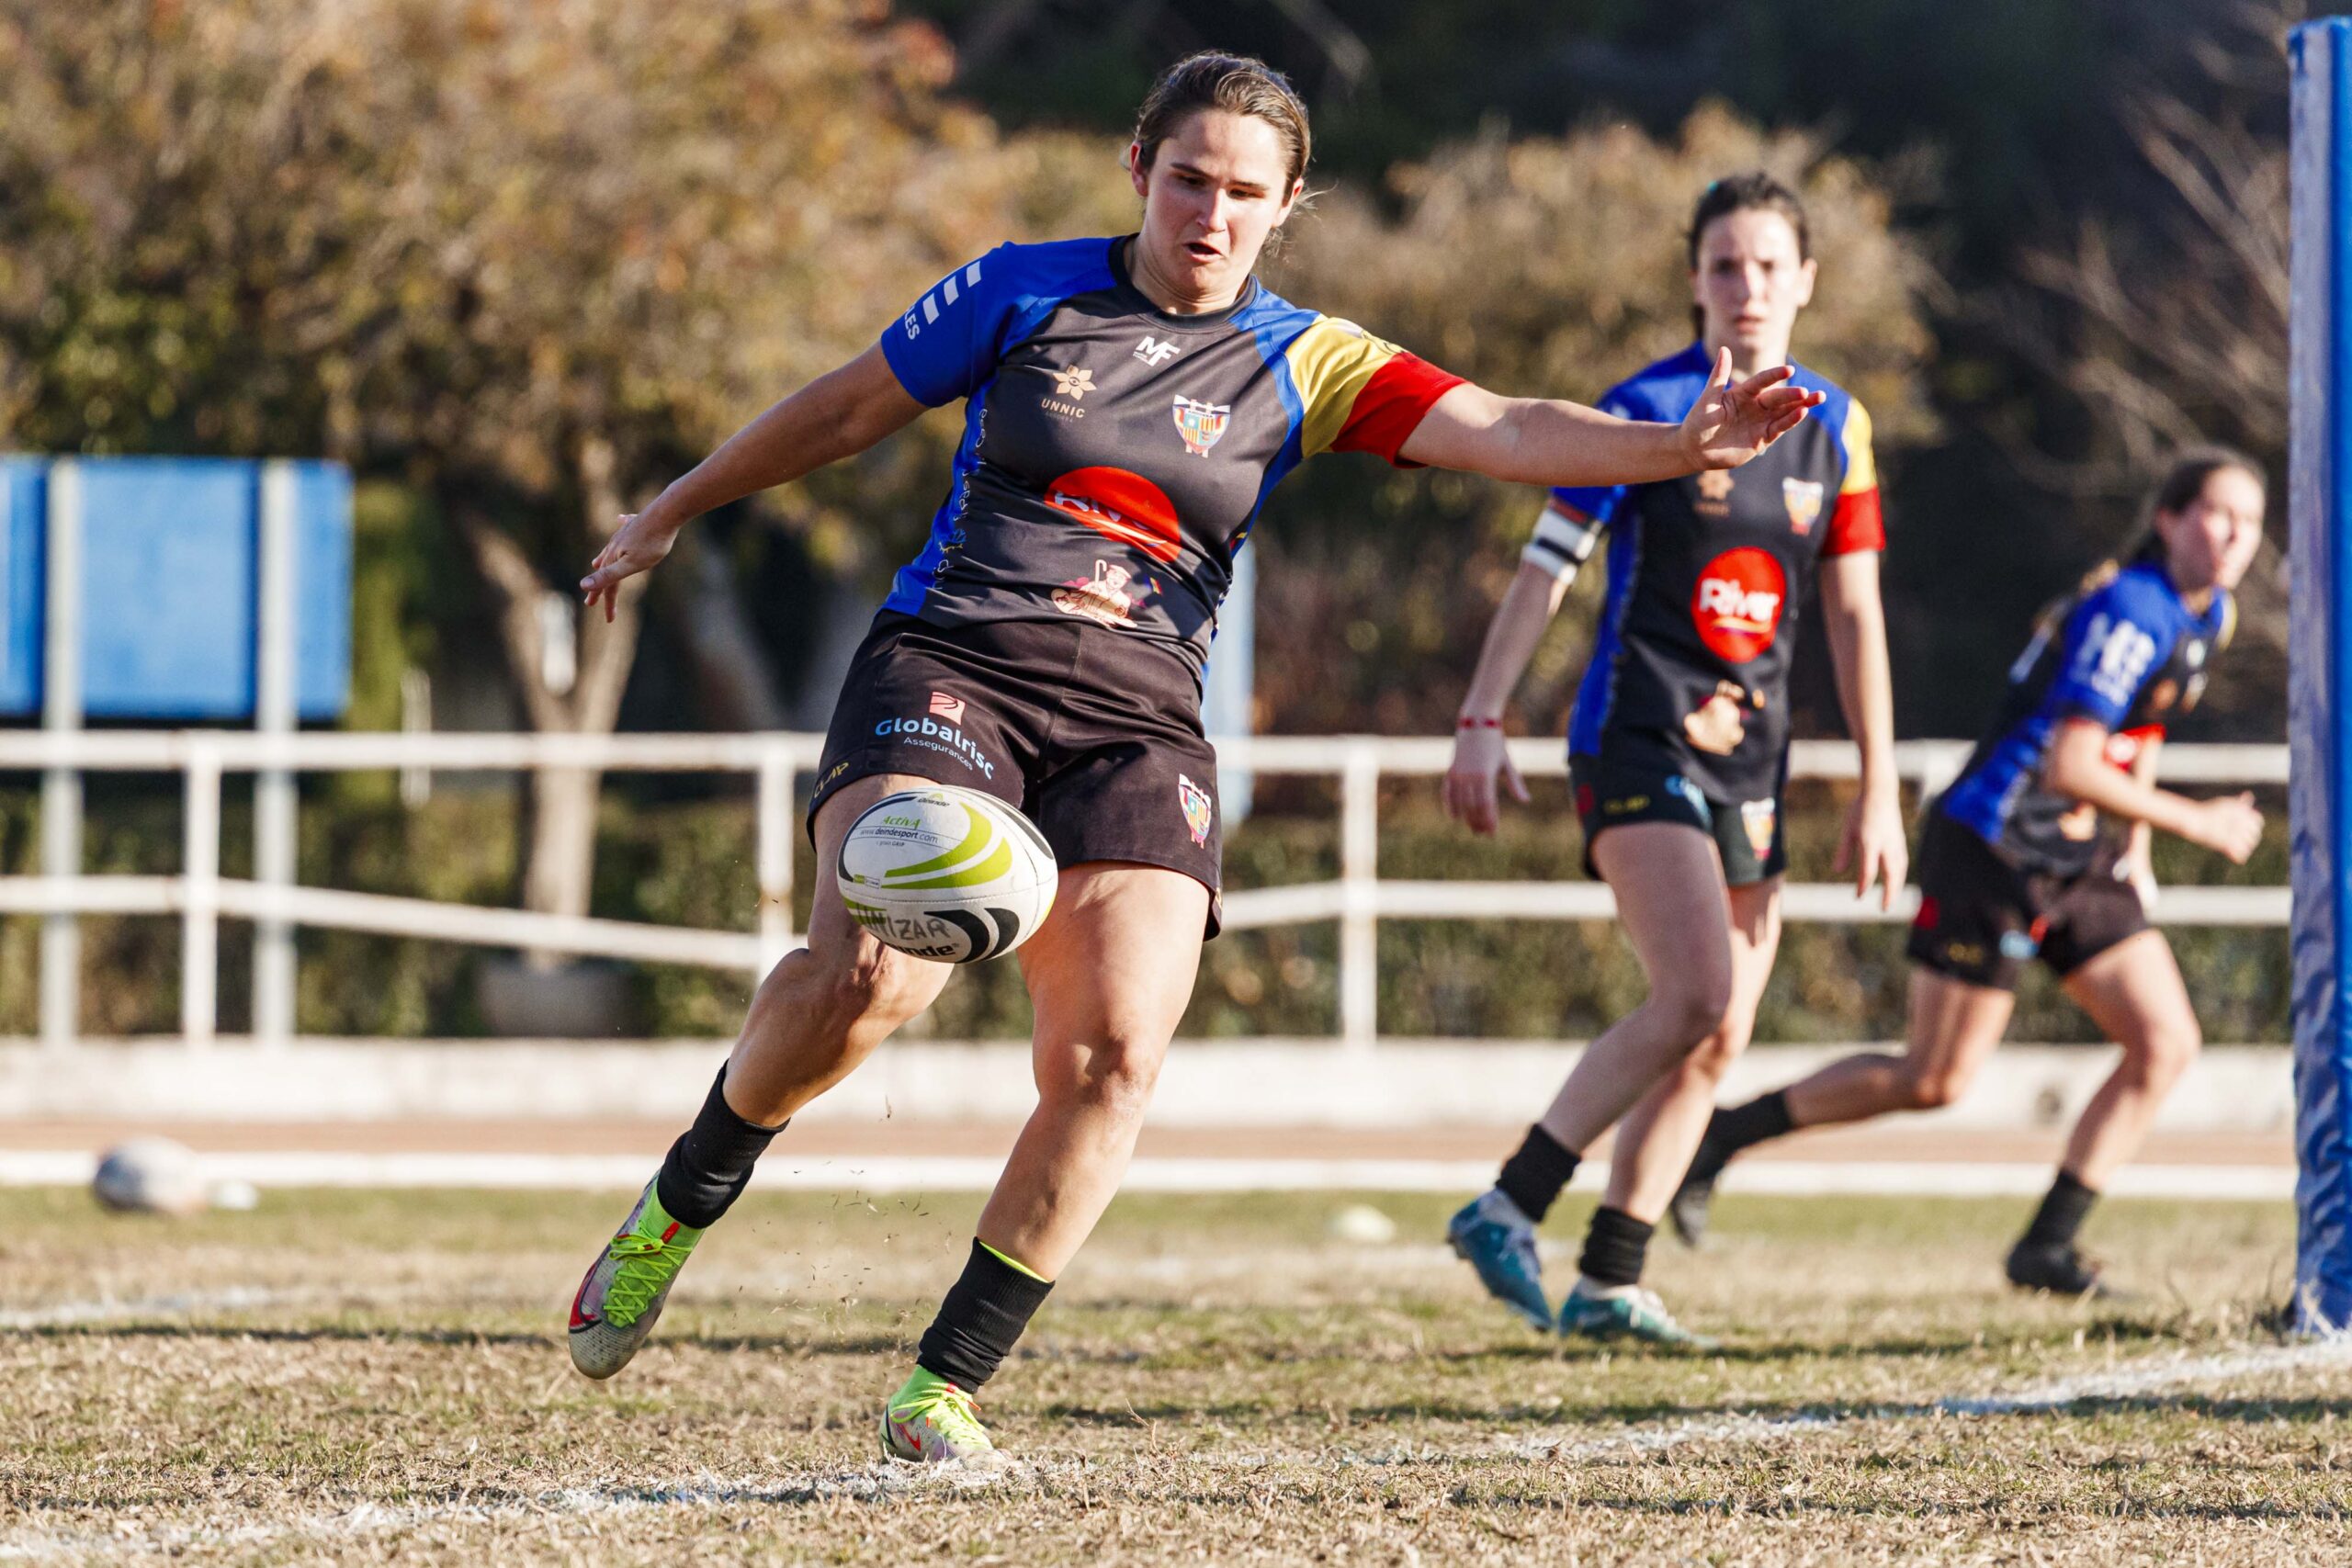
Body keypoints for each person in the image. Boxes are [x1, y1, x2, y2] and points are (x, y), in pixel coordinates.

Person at [560, 51, 1823, 1463]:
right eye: (1187, 180)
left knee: (1113, 1054)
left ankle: (943, 1384)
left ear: (1286, 208)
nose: (1208, 215)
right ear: (1140, 173)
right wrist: (676, 502)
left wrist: (1673, 443)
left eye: (1243, 192)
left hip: (1140, 715)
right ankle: (683, 1196)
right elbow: (851, 406)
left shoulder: (1312, 357)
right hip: (954, 659)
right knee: (868, 975)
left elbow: (1512, 428)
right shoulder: (1024, 288)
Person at [1442, 172, 1905, 1346]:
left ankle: (1609, 1279)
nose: (1744, 287)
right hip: (1635, 735)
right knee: (1694, 991)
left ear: (1804, 280)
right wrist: (1484, 716)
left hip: (1756, 756)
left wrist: (1878, 783)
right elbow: (1546, 566)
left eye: (1766, 265)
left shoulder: (1838, 428)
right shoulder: (1642, 408)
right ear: (1694, 281)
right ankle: (1509, 1200)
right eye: (1721, 266)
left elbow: (1854, 616)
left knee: (1726, 1029)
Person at [1672, 450, 2266, 1297]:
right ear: (2169, 519)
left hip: (2076, 853)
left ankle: (2047, 1247)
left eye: (2248, 521)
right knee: (1934, 1079)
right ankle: (1722, 1135)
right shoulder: (2134, 609)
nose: (2234, 536)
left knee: (2165, 1041)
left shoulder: (2211, 616)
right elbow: (2069, 761)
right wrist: (2193, 821)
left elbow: (2142, 726)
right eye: (2216, 514)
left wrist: (2133, 840)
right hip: (1993, 843)